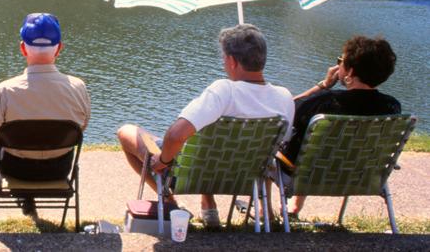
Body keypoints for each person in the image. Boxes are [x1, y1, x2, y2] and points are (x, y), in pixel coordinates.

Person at [117, 24, 294, 228]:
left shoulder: (224, 91)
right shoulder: (284, 97)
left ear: (232, 61)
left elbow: (175, 136)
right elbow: (278, 146)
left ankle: (169, 201)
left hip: (197, 176)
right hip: (247, 178)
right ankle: (207, 204)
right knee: (213, 139)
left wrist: (164, 160)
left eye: (223, 57)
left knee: (126, 132)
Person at [0, 13, 90, 215]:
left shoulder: (6, 91)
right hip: (59, 169)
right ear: (59, 48)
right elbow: (81, 127)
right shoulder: (78, 88)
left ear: (23, 48)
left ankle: (25, 195)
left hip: (16, 169)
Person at [282, 36, 400, 217]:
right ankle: (295, 206)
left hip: (309, 175)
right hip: (360, 177)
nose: (337, 66)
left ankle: (263, 212)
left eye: (340, 61)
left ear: (350, 72)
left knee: (301, 148)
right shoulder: (392, 108)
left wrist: (323, 85)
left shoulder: (326, 102)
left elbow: (285, 109)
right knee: (319, 145)